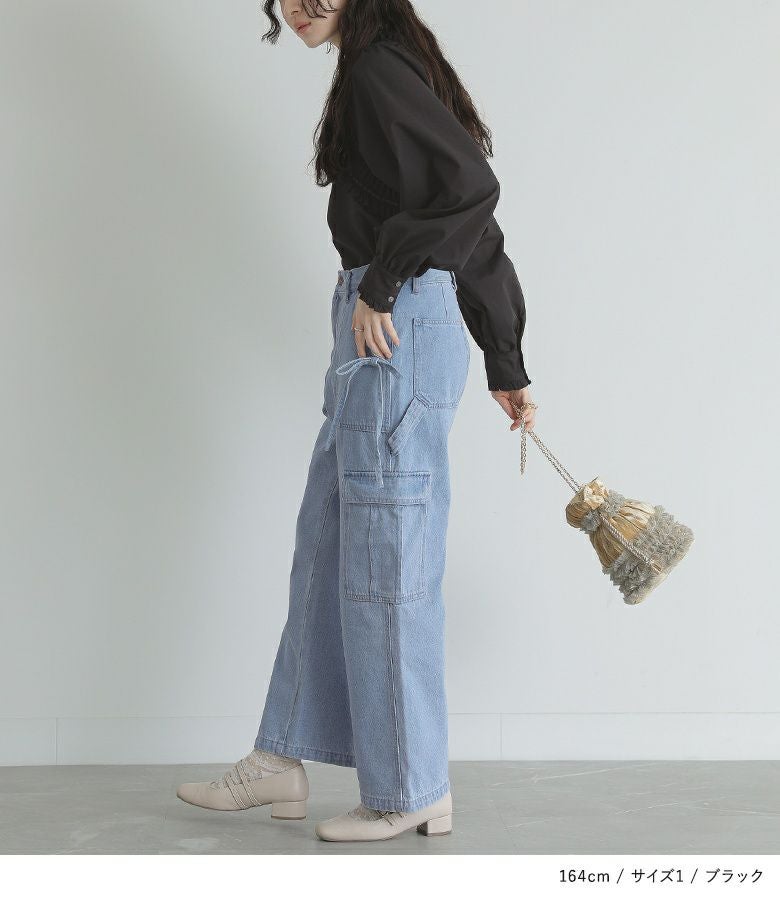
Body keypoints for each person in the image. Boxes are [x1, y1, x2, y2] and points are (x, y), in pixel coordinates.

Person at [176, 0, 537, 843]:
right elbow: (470, 218)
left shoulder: (377, 70)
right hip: (386, 327)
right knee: (331, 540)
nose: (300, 4)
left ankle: (410, 786)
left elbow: (471, 192)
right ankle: (283, 754)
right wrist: (504, 357)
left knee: (385, 559)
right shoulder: (384, 66)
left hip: (392, 322)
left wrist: (383, 285)